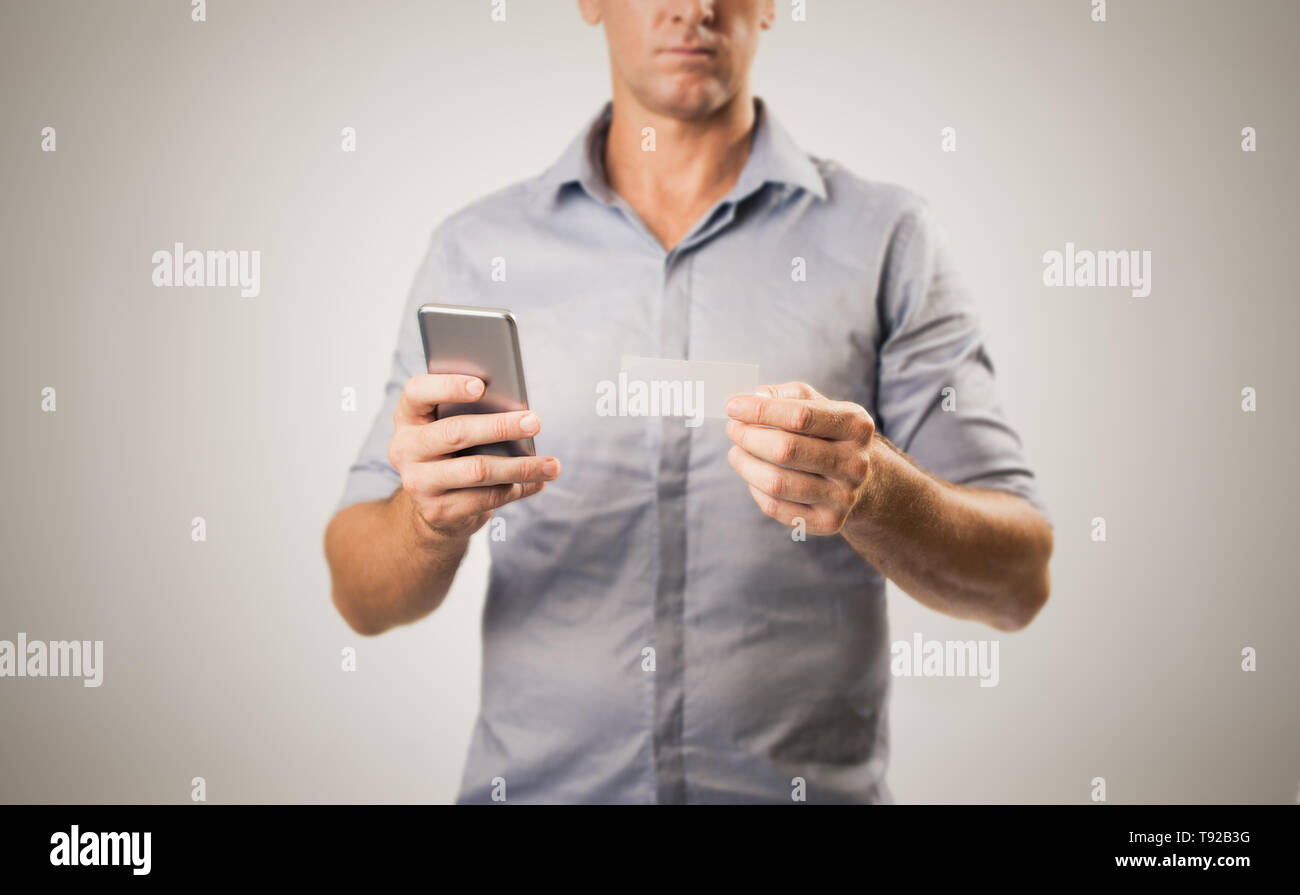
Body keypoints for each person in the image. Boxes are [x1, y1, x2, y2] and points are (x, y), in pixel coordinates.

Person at [324, 0, 1053, 804]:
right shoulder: (477, 250)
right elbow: (359, 594)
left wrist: (877, 491)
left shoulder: (889, 240)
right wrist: (424, 520)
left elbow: (1018, 578)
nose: (694, 8)